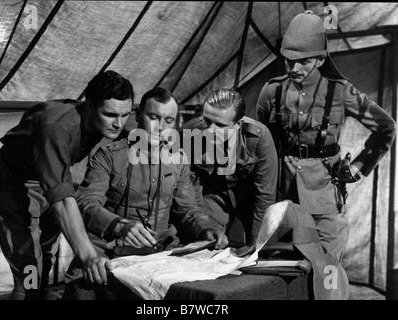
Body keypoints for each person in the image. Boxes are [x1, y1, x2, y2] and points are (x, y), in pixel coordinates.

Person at [256, 11, 396, 297]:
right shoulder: (272, 91)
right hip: (283, 195)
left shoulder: (340, 91)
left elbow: (386, 128)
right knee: (282, 272)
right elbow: (263, 141)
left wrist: (358, 168)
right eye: (289, 60)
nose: (294, 67)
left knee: (328, 271)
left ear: (320, 59)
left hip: (323, 194)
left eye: (304, 61)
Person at [0, 70, 135, 299]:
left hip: (44, 184)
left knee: (45, 257)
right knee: (28, 267)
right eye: (110, 115)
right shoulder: (55, 127)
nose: (119, 124)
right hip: (10, 186)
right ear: (88, 106)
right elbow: (61, 198)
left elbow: (143, 129)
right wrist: (88, 255)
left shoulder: (113, 118)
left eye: (125, 114)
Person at [63, 87, 228, 299]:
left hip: (159, 255)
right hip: (109, 252)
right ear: (138, 115)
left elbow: (188, 209)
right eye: (154, 117)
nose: (160, 127)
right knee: (81, 289)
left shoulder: (178, 160)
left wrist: (207, 229)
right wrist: (118, 226)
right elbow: (86, 203)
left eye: (169, 121)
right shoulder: (109, 156)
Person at [182, 88, 278, 254]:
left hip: (250, 199)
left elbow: (265, 195)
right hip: (213, 196)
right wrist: (205, 226)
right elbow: (191, 189)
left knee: (259, 251)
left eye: (220, 125)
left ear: (238, 124)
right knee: (206, 245)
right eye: (207, 120)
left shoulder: (258, 138)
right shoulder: (190, 133)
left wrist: (256, 247)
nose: (210, 130)